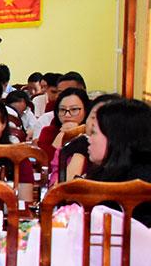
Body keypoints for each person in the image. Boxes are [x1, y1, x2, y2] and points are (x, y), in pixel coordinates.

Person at [86, 98, 151, 226]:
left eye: (93, 132)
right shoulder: (111, 172)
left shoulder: (137, 185)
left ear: (115, 137)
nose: (89, 139)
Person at [60, 94, 119, 183]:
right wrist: (80, 152)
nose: (95, 124)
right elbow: (62, 186)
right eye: (93, 117)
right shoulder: (75, 145)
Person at [36, 86, 89, 159]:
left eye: (74, 109)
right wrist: (61, 135)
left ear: (85, 110)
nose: (67, 115)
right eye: (62, 110)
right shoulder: (48, 131)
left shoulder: (93, 132)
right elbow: (44, 162)